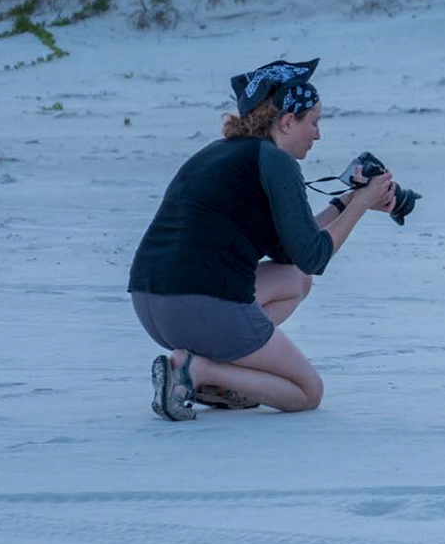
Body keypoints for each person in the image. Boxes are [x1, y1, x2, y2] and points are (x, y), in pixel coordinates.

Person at [127, 58, 396, 420]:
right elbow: (315, 255)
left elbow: (293, 255)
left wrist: (346, 202)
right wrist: (361, 204)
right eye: (313, 122)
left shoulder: (223, 152)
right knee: (307, 393)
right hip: (197, 306)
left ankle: (215, 384)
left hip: (151, 303)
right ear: (287, 121)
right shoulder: (277, 162)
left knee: (295, 281)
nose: (318, 134)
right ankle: (196, 370)